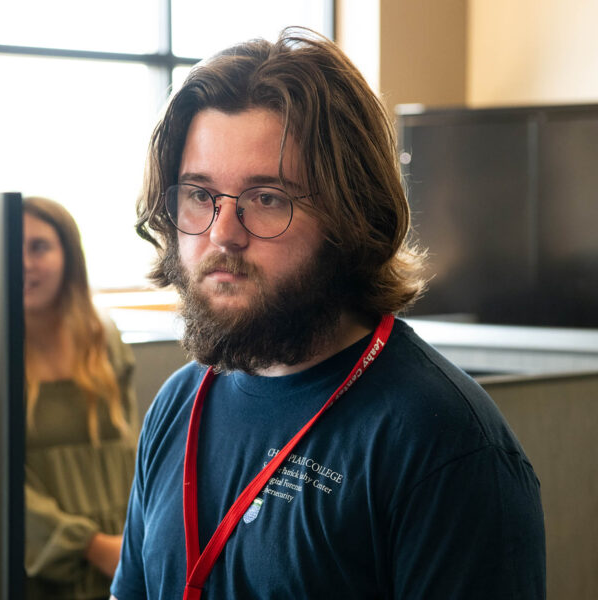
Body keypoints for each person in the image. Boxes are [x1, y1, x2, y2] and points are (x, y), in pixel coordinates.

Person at [110, 28, 545, 600]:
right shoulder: (178, 405)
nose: (221, 234)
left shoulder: (444, 445)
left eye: (267, 198)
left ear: (350, 216)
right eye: (199, 195)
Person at [22, 196, 138, 599]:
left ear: (68, 256)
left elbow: (131, 449)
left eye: (38, 247)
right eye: (12, 249)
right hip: (40, 561)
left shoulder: (102, 337)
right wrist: (88, 545)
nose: (24, 263)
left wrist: (136, 540)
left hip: (124, 550)